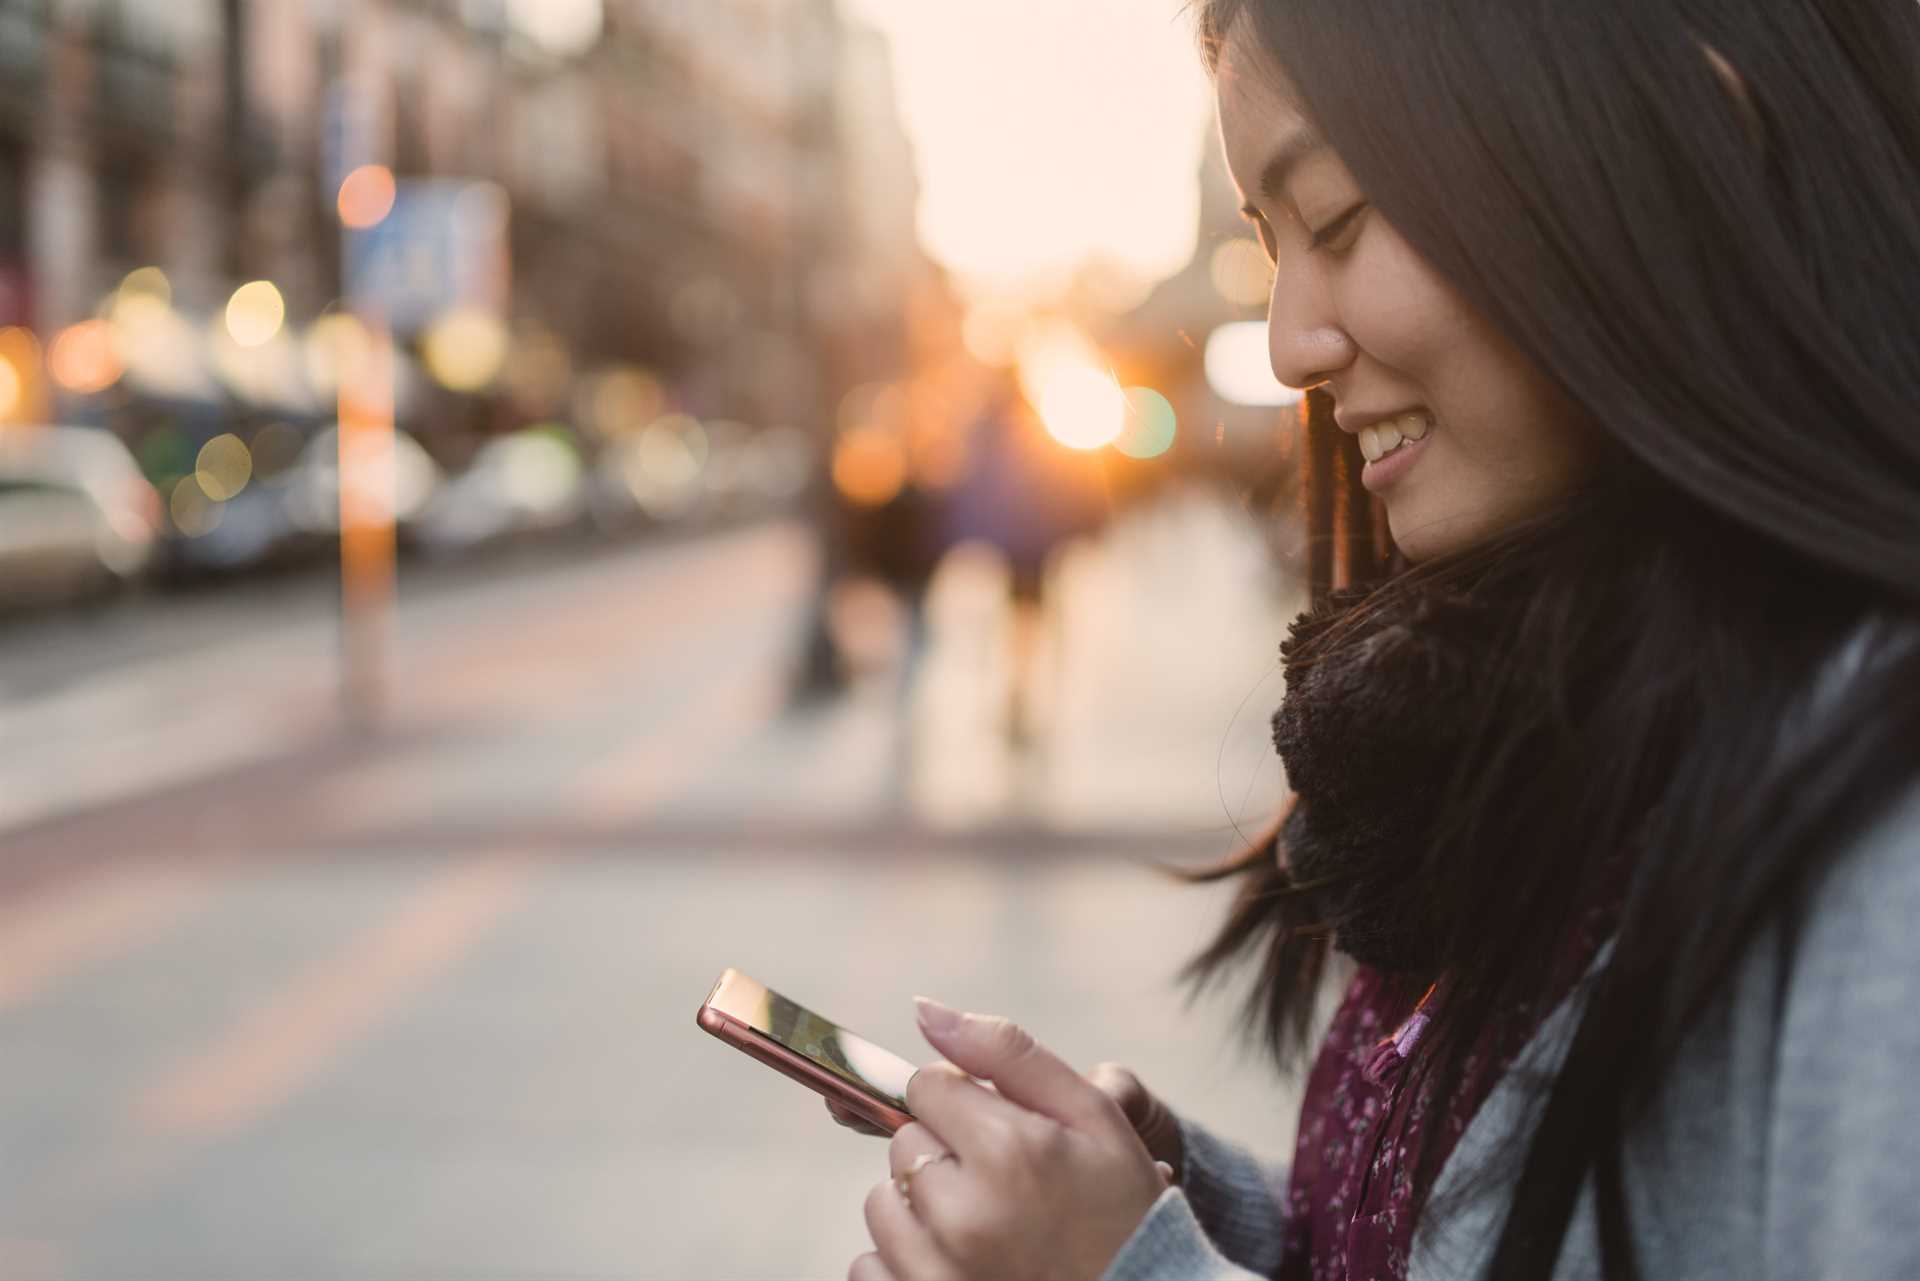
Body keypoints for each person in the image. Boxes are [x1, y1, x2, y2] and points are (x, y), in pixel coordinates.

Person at [832, 2, 1920, 1278]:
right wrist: (1160, 1206)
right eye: (1270, 247)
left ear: (1680, 157)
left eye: (1340, 219)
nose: (1295, 345)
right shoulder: (1557, 719)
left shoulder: (1876, 832)